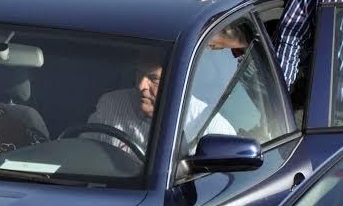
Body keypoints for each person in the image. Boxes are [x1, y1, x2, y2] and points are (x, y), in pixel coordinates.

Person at [87, 50, 235, 156]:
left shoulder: (209, 126)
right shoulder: (111, 105)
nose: (141, 85)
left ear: (179, 81)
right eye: (139, 73)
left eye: (154, 79)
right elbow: (85, 155)